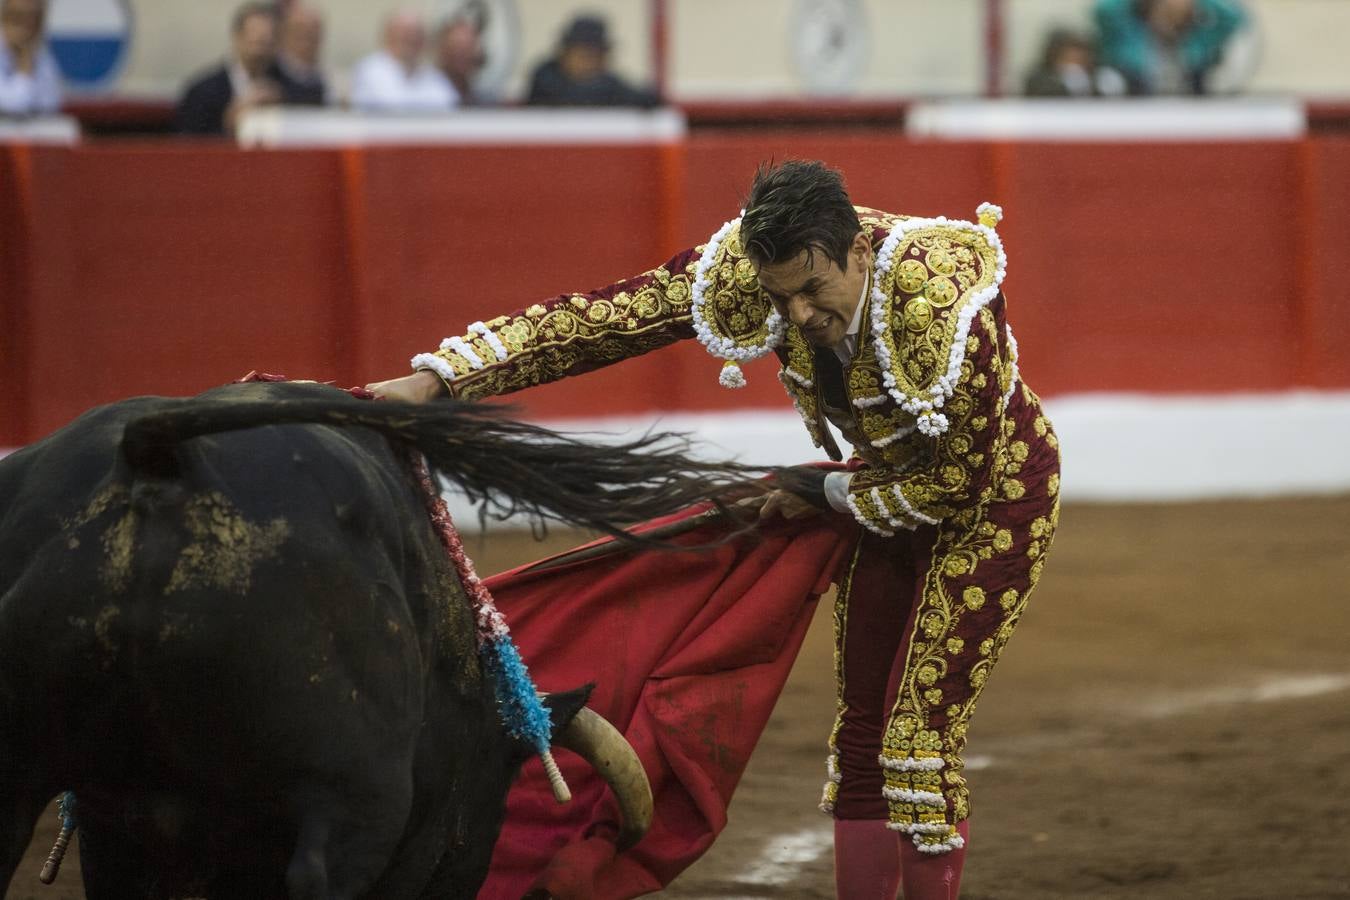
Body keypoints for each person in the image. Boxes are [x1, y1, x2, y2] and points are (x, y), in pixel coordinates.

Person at [368, 161, 1060, 899]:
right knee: (861, 740)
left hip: (994, 504)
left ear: (858, 252)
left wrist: (824, 490)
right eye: (779, 296)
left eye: (812, 290)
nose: (796, 316)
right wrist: (442, 378)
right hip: (874, 489)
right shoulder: (753, 270)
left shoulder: (941, 305)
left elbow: (956, 484)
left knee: (917, 744)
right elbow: (608, 319)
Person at [1094, 0, 1248, 95]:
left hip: (1190, 118)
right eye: (1166, 11)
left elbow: (1234, 17)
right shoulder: (1127, 38)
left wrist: (1200, 2)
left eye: (1180, 14)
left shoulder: (1200, 43)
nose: (1172, 19)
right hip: (1137, 117)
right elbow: (1102, 10)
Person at [176, 1, 284, 136]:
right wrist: (230, 123)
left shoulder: (286, 86)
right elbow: (188, 146)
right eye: (256, 42)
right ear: (237, 37)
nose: (261, 51)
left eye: (268, 43)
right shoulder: (202, 93)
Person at [525, 14, 658, 108]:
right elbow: (574, 97)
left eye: (598, 56)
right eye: (585, 55)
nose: (591, 63)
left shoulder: (608, 83)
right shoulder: (545, 79)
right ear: (565, 54)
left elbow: (646, 98)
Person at [349, 10, 456, 112]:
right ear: (389, 35)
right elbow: (388, 107)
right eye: (405, 33)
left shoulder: (433, 75)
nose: (412, 38)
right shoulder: (370, 70)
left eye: (417, 34)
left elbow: (448, 106)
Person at [1023, 27, 1126, 97]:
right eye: (1069, 59)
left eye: (1081, 60)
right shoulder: (1038, 79)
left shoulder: (1098, 78)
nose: (1075, 66)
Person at [0, 0, 60, 118]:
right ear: (5, 16)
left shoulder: (39, 52)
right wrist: (24, 65)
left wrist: (25, 54)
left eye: (33, 18)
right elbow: (14, 106)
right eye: (19, 17)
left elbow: (51, 102)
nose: (27, 25)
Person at [274, 2, 328, 106]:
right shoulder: (271, 76)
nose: (308, 42)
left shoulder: (322, 78)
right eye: (302, 34)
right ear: (284, 34)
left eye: (314, 35)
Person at [434, 11, 485, 106]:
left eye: (468, 49)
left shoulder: (481, 100)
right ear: (443, 51)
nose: (463, 56)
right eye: (456, 48)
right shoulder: (428, 95)